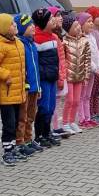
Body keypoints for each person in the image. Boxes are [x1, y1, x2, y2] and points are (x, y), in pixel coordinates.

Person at [0, 14, 27, 166]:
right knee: (9, 124)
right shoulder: (1, 46)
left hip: (18, 91)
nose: (15, 25)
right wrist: (5, 74)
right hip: (7, 93)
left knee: (15, 122)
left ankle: (13, 148)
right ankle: (7, 152)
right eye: (11, 24)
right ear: (4, 28)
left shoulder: (18, 43)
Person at [31, 8, 62, 149]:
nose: (54, 20)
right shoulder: (37, 39)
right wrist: (43, 74)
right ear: (43, 23)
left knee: (51, 107)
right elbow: (36, 62)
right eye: (50, 19)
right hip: (44, 79)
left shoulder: (53, 37)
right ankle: (39, 136)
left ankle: (47, 133)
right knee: (43, 107)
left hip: (52, 78)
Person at [14, 13, 42, 156]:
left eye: (32, 24)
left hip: (34, 86)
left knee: (31, 115)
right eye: (28, 25)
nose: (32, 27)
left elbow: (36, 67)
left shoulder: (32, 44)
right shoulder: (20, 45)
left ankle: (28, 138)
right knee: (22, 116)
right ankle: (20, 142)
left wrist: (38, 86)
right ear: (21, 28)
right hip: (25, 87)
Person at [60, 14, 92, 134]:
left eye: (78, 25)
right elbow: (62, 60)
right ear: (68, 29)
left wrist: (86, 76)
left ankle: (72, 121)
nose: (78, 27)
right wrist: (63, 75)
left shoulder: (84, 41)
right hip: (69, 77)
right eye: (75, 26)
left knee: (77, 101)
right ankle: (65, 123)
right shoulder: (64, 42)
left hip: (79, 76)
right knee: (70, 100)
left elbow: (87, 59)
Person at [79, 11, 99, 129]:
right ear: (81, 24)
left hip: (93, 71)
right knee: (82, 96)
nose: (91, 24)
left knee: (88, 95)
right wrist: (94, 67)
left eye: (92, 21)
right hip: (85, 72)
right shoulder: (82, 39)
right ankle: (82, 119)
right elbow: (86, 56)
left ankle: (88, 118)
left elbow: (97, 53)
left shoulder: (92, 37)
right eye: (88, 22)